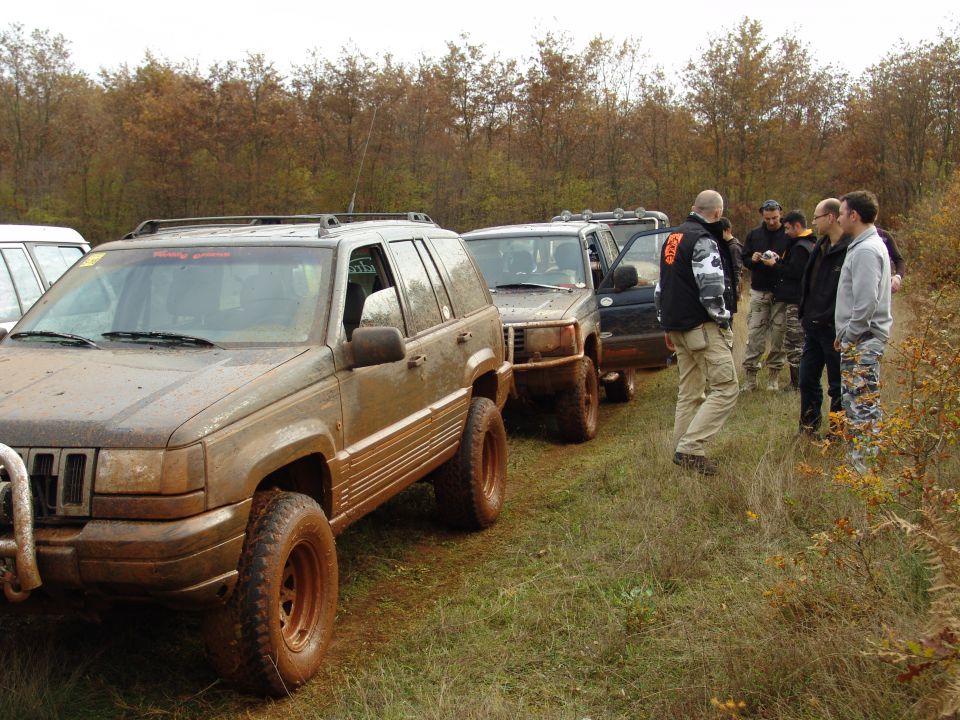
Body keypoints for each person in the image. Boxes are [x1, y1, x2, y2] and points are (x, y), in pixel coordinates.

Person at [655, 190, 738, 475]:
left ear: (693, 208)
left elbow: (661, 286)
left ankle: (681, 449)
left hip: (677, 327)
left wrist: (665, 321)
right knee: (726, 389)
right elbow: (712, 288)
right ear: (717, 214)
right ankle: (691, 448)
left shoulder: (672, 238)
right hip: (702, 328)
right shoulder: (704, 240)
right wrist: (723, 320)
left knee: (690, 393)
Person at [834, 190, 893, 471]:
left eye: (842, 213)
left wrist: (850, 334)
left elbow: (866, 301)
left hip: (865, 340)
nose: (839, 218)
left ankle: (864, 471)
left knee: (863, 405)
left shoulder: (868, 249)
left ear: (853, 216)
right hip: (860, 338)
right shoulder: (863, 245)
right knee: (857, 402)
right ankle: (860, 464)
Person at [797, 198, 851, 435]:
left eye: (816, 217)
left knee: (837, 385)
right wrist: (805, 313)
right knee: (807, 379)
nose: (813, 222)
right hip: (812, 326)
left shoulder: (851, 248)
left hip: (834, 328)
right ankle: (808, 427)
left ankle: (838, 433)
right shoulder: (819, 245)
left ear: (830, 217)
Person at [763, 210, 816, 391]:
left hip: (797, 300)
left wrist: (774, 265)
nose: (784, 232)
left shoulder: (802, 247)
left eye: (787, 228)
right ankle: (797, 383)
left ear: (798, 226)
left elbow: (794, 273)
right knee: (794, 341)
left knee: (795, 342)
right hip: (799, 299)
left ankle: (798, 384)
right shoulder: (806, 244)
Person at [740, 199, 790, 390]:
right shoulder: (754, 235)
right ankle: (750, 378)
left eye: (775, 218)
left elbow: (794, 265)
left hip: (781, 292)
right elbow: (744, 258)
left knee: (779, 335)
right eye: (768, 218)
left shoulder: (787, 235)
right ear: (762, 215)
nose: (771, 222)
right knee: (755, 335)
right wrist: (752, 259)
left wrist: (777, 263)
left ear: (780, 214)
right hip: (759, 290)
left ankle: (773, 378)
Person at [876, 226, 906, 293]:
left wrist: (898, 277)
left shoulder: (884, 236)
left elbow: (899, 260)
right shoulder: (851, 234)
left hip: (882, 289)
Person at [719, 217, 743, 299]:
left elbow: (736, 269)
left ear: (727, 230)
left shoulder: (734, 247)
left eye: (719, 231)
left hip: (731, 288)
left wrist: (734, 289)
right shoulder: (725, 245)